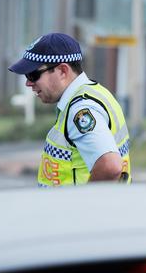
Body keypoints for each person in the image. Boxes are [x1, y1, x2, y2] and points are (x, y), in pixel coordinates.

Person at [8, 32, 131, 187]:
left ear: (62, 71)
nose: (28, 83)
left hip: (79, 210)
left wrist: (80, 203)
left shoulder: (81, 110)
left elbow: (110, 167)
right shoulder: (96, 93)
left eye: (33, 75)